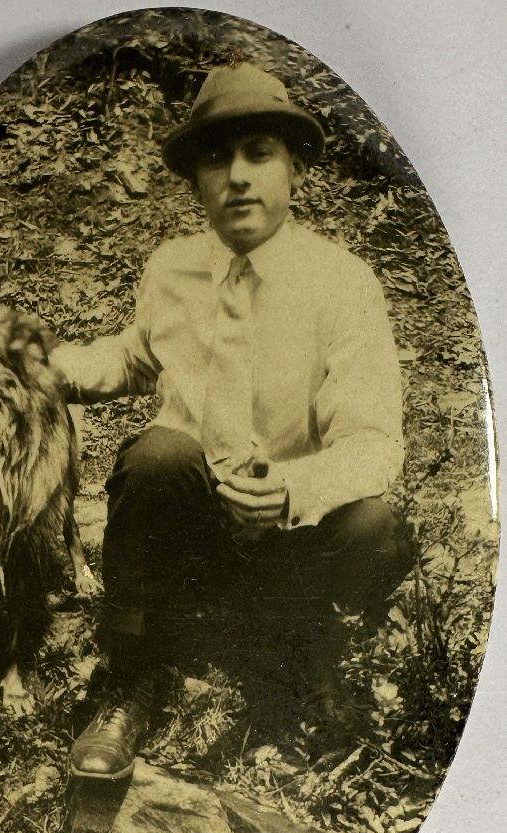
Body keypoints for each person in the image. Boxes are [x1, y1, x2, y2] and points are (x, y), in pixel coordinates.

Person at [51, 63, 414, 779]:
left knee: (373, 524)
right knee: (157, 455)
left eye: (259, 154)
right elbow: (134, 356)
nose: (238, 177)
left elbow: (373, 442)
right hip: (195, 542)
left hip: (292, 540)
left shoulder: (341, 283)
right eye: (217, 159)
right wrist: (44, 366)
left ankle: (311, 660)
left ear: (295, 171)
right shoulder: (172, 269)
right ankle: (134, 675)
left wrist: (291, 491)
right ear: (195, 181)